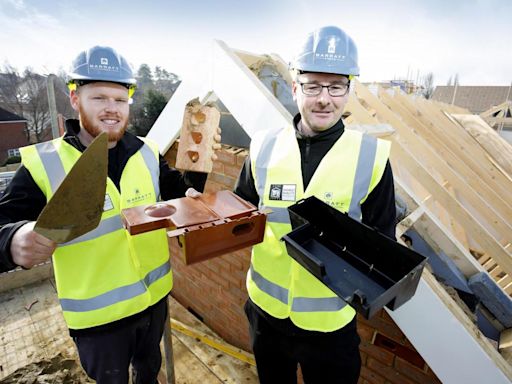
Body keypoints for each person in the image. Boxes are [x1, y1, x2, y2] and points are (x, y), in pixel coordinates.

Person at [0, 45, 219, 383]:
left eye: (120, 99)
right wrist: (11, 240)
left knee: (148, 372)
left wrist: (199, 168)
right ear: (75, 99)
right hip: (99, 321)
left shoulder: (146, 151)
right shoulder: (44, 164)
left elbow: (178, 190)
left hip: (154, 302)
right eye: (99, 98)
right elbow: (3, 224)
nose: (112, 109)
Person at [234, 26, 396, 383]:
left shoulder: (371, 158)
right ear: (295, 88)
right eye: (313, 86)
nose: (325, 98)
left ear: (349, 91)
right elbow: (238, 213)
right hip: (266, 315)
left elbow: (384, 242)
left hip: (330, 327)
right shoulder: (262, 147)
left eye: (336, 86)